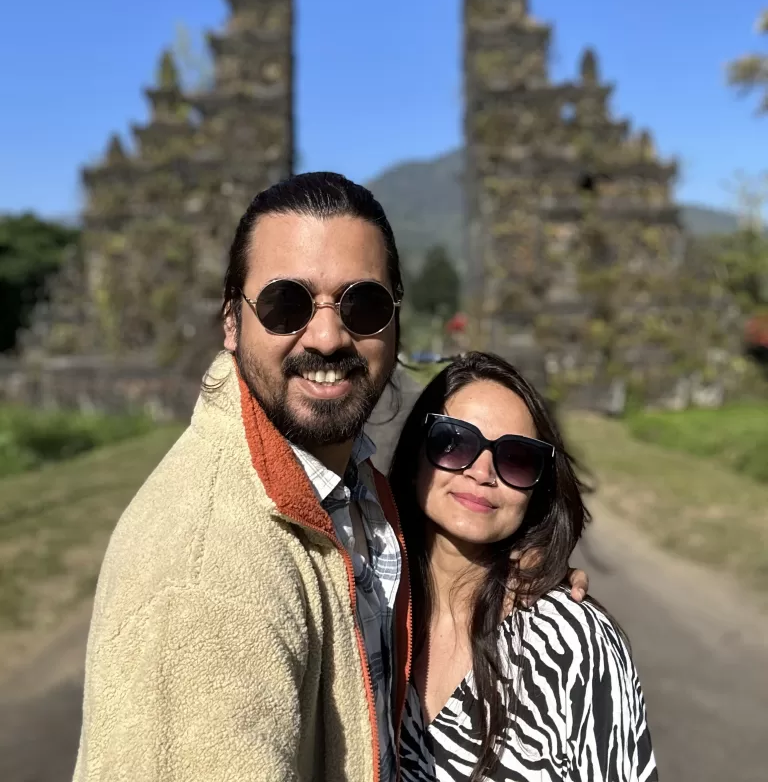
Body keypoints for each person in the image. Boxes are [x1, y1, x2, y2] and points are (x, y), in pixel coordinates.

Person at [73, 172, 590, 782]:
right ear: (232, 322)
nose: (326, 336)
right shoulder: (206, 578)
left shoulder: (341, 487)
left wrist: (487, 572)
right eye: (285, 304)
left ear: (395, 322)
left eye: (362, 305)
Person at [389, 351, 657, 782]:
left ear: (538, 488)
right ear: (416, 453)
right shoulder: (363, 607)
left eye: (515, 458)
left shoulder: (574, 644)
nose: (482, 472)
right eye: (454, 441)